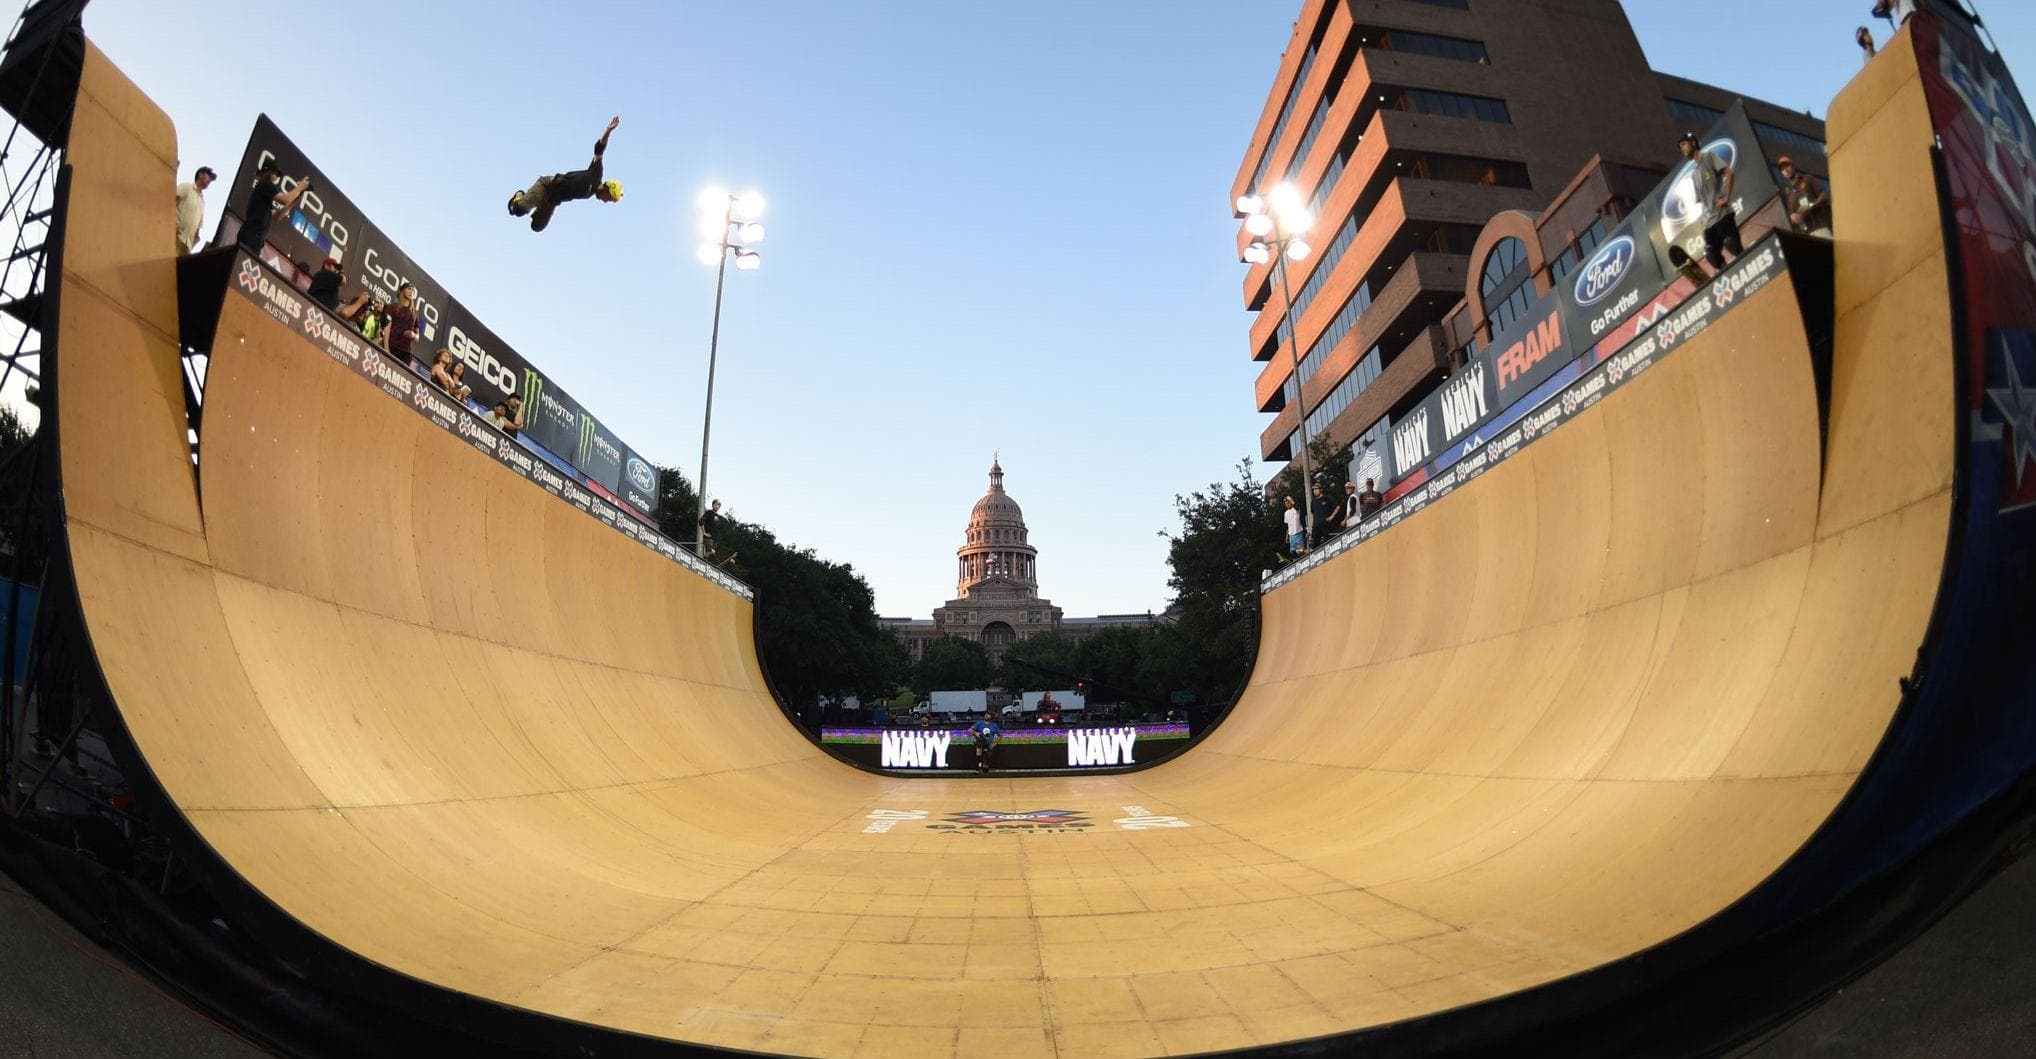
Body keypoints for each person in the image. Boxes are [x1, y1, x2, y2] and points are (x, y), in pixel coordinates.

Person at [507, 116, 624, 233]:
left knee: (537, 226)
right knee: (519, 209)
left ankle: (536, 202)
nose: (605, 201)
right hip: (547, 186)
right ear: (608, 190)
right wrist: (608, 130)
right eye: (608, 198)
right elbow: (599, 149)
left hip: (552, 201)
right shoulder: (596, 174)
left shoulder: (590, 193)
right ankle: (519, 195)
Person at [1680, 131, 1740, 270]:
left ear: (1693, 143)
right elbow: (1702, 201)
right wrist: (1704, 221)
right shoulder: (1694, 175)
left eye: (1683, 144)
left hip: (1723, 215)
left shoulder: (1709, 157)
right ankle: (1728, 274)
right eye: (1680, 147)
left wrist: (1726, 197)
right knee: (1710, 253)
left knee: (1731, 243)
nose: (1682, 148)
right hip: (1709, 222)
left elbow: (1729, 172)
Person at [237, 161, 311, 256]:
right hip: (251, 235)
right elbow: (284, 199)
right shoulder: (265, 184)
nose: (277, 176)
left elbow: (277, 216)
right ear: (268, 171)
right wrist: (299, 188)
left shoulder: (264, 194)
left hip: (256, 240)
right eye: (275, 173)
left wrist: (295, 199)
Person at [1779, 156, 1832, 237]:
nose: (1786, 170)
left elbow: (1824, 195)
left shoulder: (1807, 179)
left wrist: (1810, 206)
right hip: (1806, 234)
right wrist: (1793, 218)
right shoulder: (1789, 196)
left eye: (1787, 166)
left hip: (1820, 227)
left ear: (1793, 166)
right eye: (1782, 169)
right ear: (1782, 174)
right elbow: (1791, 216)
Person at [174, 165, 214, 254]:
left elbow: (198, 226)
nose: (209, 181)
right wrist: (174, 223)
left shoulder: (202, 201)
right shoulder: (186, 187)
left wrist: (194, 241)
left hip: (186, 246)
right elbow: (171, 203)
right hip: (175, 236)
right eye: (209, 177)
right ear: (200, 175)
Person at [386, 283, 423, 365]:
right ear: (402, 291)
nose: (411, 292)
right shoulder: (392, 307)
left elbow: (417, 337)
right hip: (392, 346)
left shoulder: (415, 313)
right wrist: (386, 349)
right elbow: (387, 328)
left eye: (413, 290)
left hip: (406, 353)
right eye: (409, 289)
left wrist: (413, 335)